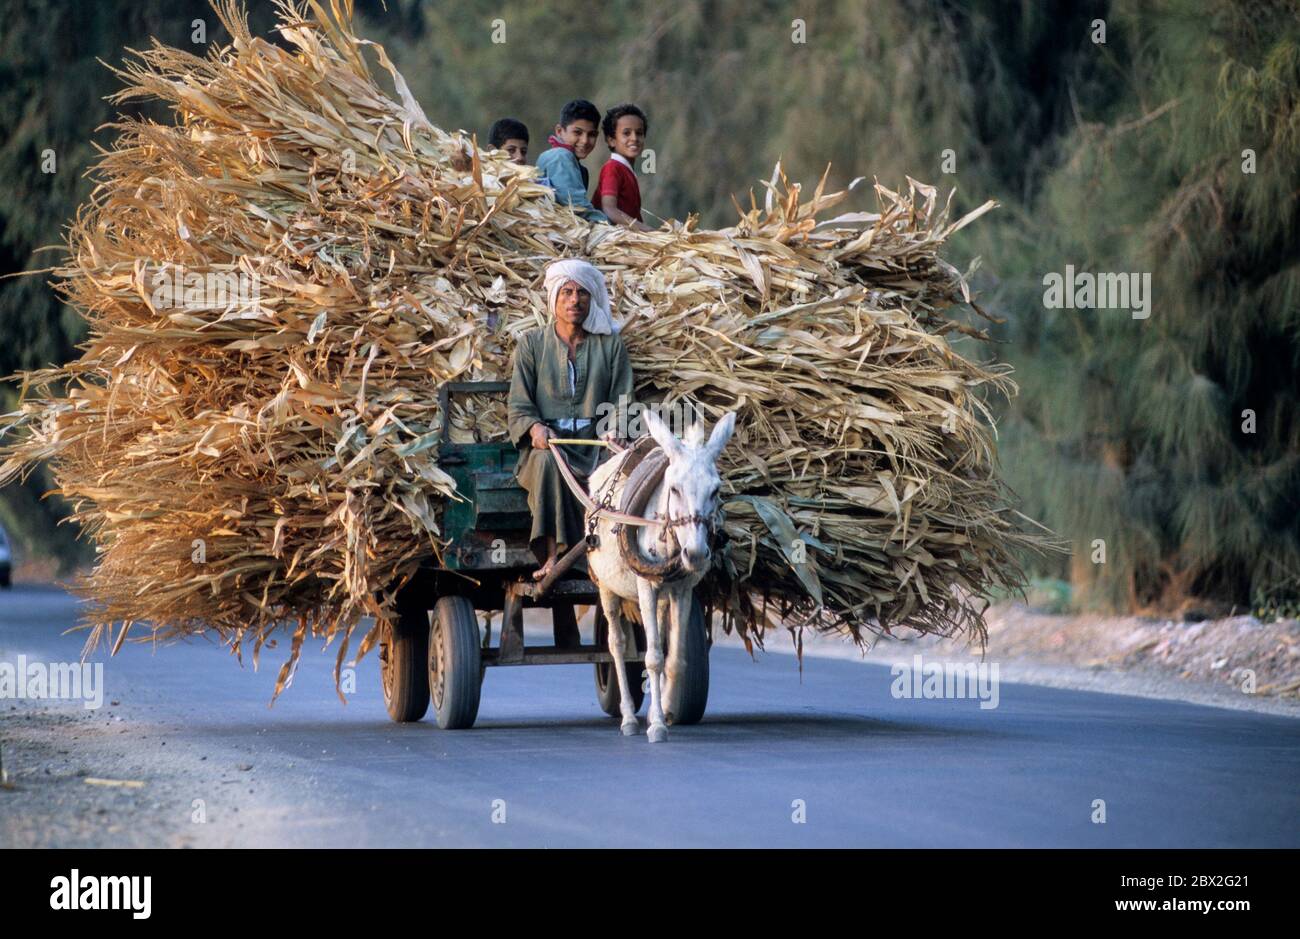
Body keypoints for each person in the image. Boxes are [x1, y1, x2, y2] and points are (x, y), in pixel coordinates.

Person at [508, 259, 633, 583]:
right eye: (566, 292)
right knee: (548, 463)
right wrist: (536, 429)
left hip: (594, 444)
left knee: (623, 469)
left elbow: (622, 399)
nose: (574, 300)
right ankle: (554, 555)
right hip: (550, 447)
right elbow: (520, 406)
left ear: (591, 300)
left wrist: (615, 431)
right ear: (554, 300)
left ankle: (615, 556)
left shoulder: (610, 345)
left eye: (581, 293)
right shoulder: (532, 345)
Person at [535, 100, 608, 222]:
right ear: (559, 131)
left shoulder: (577, 166)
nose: (584, 140)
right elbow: (576, 205)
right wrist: (607, 225)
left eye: (591, 134)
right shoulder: (560, 156)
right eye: (577, 132)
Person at [596, 104, 652, 232]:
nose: (634, 138)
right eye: (626, 133)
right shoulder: (612, 168)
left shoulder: (626, 170)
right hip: (611, 239)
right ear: (611, 140)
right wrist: (649, 231)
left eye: (639, 133)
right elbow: (609, 209)